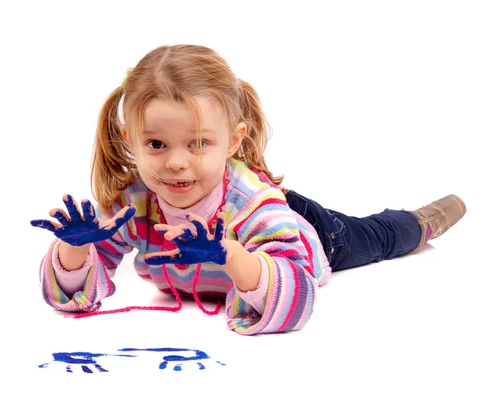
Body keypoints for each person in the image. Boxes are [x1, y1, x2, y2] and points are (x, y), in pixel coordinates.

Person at [30, 44, 466, 336]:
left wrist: (231, 255)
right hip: (249, 211)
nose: (176, 161)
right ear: (130, 139)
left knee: (373, 238)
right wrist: (72, 251)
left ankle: (420, 222)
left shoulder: (255, 206)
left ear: (233, 141)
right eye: (156, 144)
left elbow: (298, 300)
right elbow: (72, 291)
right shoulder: (136, 202)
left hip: (312, 235)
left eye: (199, 143)